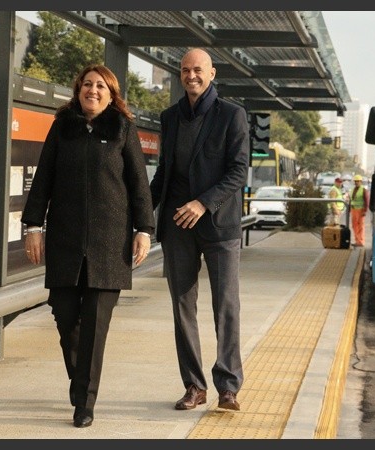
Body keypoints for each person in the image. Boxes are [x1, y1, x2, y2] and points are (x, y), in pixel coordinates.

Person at [21, 64, 155, 428]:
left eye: (100, 86)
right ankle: (81, 381)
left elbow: (139, 184)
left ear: (111, 95)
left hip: (109, 244)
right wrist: (33, 226)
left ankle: (84, 402)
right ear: (78, 89)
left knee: (95, 326)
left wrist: (144, 229)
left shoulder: (123, 129)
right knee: (65, 316)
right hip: (65, 241)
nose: (92, 90)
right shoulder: (62, 126)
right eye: (87, 84)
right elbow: (43, 177)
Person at [149, 48, 249, 412]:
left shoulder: (232, 115)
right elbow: (164, 171)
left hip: (219, 225)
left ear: (212, 73)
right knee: (182, 307)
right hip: (178, 225)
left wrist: (204, 203)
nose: (191, 75)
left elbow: (238, 171)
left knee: (226, 306)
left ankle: (228, 386)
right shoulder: (170, 117)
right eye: (185, 70)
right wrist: (141, 214)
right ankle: (194, 386)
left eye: (198, 70)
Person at [349, 174, 369, 247]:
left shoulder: (363, 190)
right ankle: (357, 241)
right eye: (355, 181)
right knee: (354, 226)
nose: (356, 182)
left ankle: (361, 242)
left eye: (358, 181)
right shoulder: (353, 190)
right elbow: (351, 200)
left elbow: (366, 201)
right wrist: (349, 208)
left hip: (360, 210)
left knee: (360, 226)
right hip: (353, 209)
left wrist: (365, 211)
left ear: (361, 182)